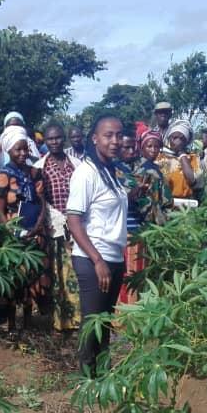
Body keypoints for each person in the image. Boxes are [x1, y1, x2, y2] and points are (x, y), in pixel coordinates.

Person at [66, 114, 128, 375]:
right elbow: (73, 220)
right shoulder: (85, 172)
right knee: (93, 324)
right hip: (94, 259)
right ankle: (86, 380)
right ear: (95, 138)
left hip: (113, 256)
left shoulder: (110, 171)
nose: (115, 141)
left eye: (118, 135)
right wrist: (98, 260)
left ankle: (103, 376)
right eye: (108, 135)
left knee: (104, 323)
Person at [0, 126, 51, 330]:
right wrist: (11, 232)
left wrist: (37, 226)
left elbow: (42, 201)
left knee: (32, 277)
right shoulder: (2, 175)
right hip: (13, 235)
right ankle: (11, 324)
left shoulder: (35, 172)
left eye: (25, 149)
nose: (23, 153)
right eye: (18, 149)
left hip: (35, 231)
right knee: (14, 278)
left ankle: (27, 322)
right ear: (8, 150)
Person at [36, 123, 82, 330]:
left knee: (77, 271)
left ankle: (78, 319)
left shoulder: (76, 164)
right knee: (57, 274)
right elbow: (39, 199)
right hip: (54, 225)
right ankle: (60, 320)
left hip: (76, 224)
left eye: (57, 138)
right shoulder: (40, 166)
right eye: (50, 139)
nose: (54, 142)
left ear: (63, 139)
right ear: (45, 141)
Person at [120, 129, 172, 305]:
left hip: (144, 231)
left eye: (132, 147)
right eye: (125, 147)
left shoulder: (152, 171)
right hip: (117, 232)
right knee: (121, 277)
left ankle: (135, 319)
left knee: (140, 276)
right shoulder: (111, 170)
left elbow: (166, 203)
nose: (131, 151)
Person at [159, 119, 200, 200]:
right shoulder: (161, 157)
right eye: (174, 138)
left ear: (187, 141)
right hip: (166, 203)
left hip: (187, 203)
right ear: (169, 138)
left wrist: (181, 154)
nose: (178, 141)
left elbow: (192, 180)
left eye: (182, 139)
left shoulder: (193, 158)